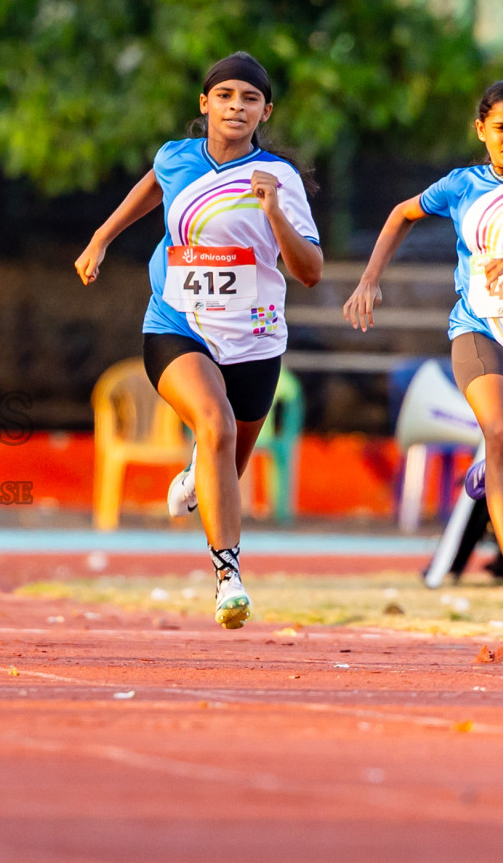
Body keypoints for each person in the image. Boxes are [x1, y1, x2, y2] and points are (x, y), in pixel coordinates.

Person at [345, 78, 503, 628]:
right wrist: (369, 279)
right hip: (480, 329)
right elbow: (400, 214)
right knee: (502, 438)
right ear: (481, 130)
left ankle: (491, 482)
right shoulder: (462, 185)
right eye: (501, 128)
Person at [76, 53, 322, 628]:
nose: (237, 106)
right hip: (176, 324)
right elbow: (151, 188)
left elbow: (308, 271)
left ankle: (194, 475)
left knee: (226, 461)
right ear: (205, 103)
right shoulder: (176, 157)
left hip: (255, 340)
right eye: (226, 95)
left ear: (265, 111)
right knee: (216, 423)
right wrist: (102, 237)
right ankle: (228, 575)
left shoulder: (278, 177)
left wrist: (274, 211)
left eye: (250, 99)